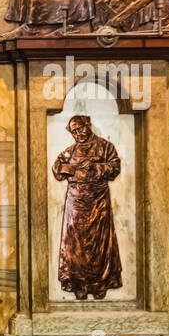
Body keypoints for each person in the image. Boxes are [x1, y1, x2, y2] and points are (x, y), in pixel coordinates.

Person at [53, 115, 122, 300]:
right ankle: (78, 283)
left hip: (98, 200)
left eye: (80, 129)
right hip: (75, 201)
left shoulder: (105, 146)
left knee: (99, 243)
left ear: (88, 125)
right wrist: (70, 170)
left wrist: (94, 168)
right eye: (74, 131)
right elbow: (57, 168)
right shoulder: (71, 150)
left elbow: (115, 167)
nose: (77, 134)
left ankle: (99, 283)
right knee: (75, 244)